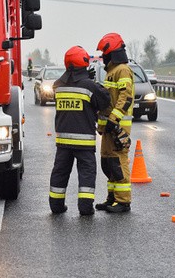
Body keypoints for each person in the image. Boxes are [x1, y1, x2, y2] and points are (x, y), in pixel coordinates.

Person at [49, 46, 111, 216]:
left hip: (63, 142)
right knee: (87, 174)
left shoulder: (57, 86)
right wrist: (93, 83)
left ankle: (56, 206)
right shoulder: (89, 86)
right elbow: (105, 100)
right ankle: (85, 208)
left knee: (60, 173)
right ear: (84, 63)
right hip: (84, 142)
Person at [95, 33, 134, 213]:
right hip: (108, 127)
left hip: (117, 127)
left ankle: (123, 201)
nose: (103, 57)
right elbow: (108, 100)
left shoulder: (122, 70)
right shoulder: (111, 71)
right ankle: (112, 198)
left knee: (118, 162)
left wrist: (113, 120)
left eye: (105, 54)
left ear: (113, 53)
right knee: (108, 163)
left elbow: (125, 98)